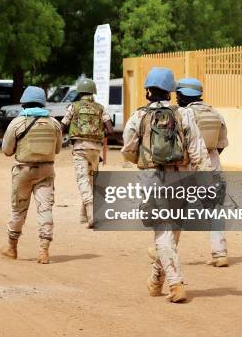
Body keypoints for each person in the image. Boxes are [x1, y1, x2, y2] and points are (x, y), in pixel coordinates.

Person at [121, 67, 212, 303]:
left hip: (152, 180)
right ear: (171, 91)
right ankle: (155, 280)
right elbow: (197, 150)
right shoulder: (184, 114)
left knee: (162, 232)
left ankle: (176, 284)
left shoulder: (138, 116)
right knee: (173, 232)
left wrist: (144, 162)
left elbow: (128, 149)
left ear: (148, 90)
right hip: (181, 178)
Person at [0, 86, 63, 264]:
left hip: (23, 172)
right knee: (45, 209)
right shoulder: (54, 123)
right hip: (47, 171)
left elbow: (7, 151)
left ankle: (12, 248)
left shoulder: (17, 123)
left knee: (18, 210)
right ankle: (44, 251)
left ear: (24, 103)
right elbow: (57, 149)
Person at [175, 77, 230, 267]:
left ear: (182, 95)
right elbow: (221, 144)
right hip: (213, 165)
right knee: (215, 210)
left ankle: (163, 251)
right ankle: (220, 254)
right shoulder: (215, 113)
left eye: (177, 94)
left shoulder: (182, 114)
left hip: (189, 167)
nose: (176, 98)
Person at [60, 78, 114, 228]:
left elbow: (62, 126)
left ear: (80, 92)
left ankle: (91, 216)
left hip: (79, 149)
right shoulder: (100, 108)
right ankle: (84, 215)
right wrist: (97, 135)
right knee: (92, 180)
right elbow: (110, 130)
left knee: (82, 180)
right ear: (93, 92)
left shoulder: (73, 107)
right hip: (96, 149)